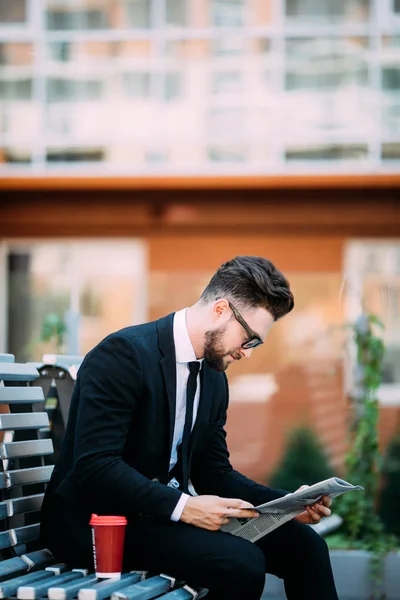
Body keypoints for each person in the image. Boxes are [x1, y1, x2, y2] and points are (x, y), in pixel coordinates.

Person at [40, 256, 339, 600]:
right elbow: (95, 467)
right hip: (96, 523)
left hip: (155, 516)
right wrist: (185, 507)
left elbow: (214, 473)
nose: (247, 353)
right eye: (249, 338)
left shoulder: (213, 376)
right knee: (241, 563)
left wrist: (287, 506)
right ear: (221, 310)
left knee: (307, 547)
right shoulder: (124, 354)